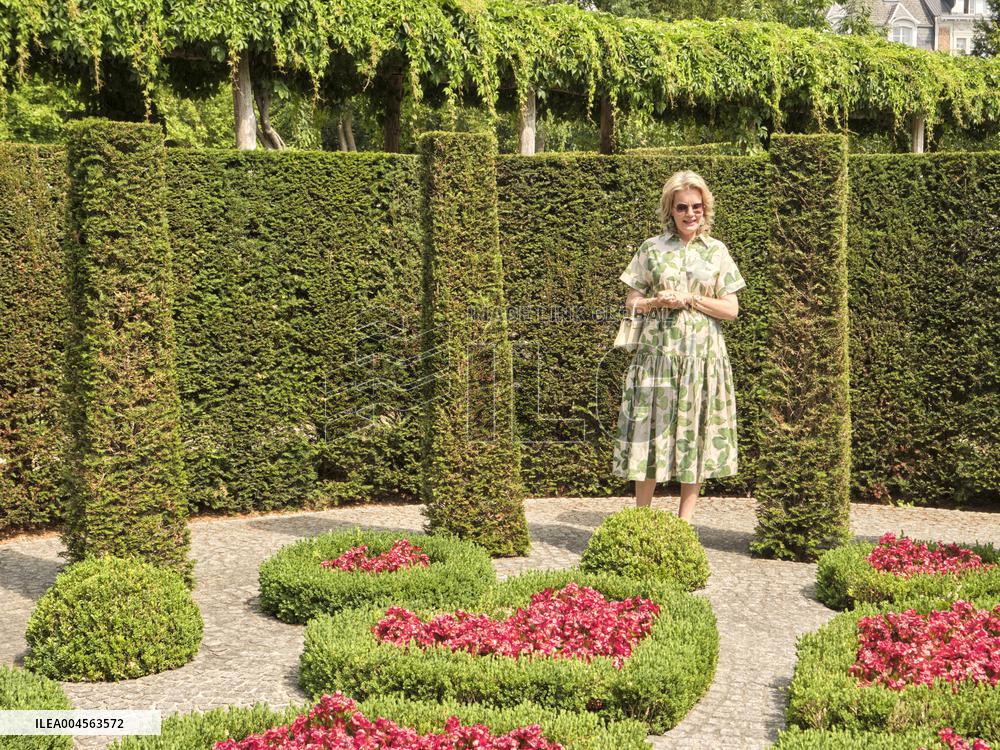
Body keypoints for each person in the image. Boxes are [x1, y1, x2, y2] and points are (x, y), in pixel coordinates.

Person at [612, 170, 746, 522]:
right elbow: (632, 303)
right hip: (657, 358)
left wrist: (689, 300)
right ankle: (641, 521)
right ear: (670, 210)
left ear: (706, 208)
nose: (691, 214)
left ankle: (684, 524)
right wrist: (657, 302)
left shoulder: (717, 252)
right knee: (649, 431)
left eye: (697, 207)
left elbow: (731, 309)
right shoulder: (651, 249)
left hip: (703, 359)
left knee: (696, 434)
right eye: (683, 207)